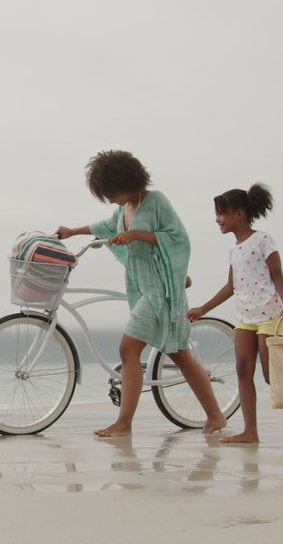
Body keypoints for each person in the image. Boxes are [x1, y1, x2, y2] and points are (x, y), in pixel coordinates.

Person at [57, 150, 228, 437]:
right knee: (179, 353)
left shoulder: (155, 201)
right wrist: (73, 231)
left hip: (161, 289)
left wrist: (135, 235)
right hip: (141, 284)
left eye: (111, 191)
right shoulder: (124, 209)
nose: (110, 198)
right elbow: (104, 226)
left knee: (128, 350)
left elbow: (177, 238)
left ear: (127, 180)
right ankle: (215, 416)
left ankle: (123, 423)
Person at [187, 183, 283, 442]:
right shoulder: (234, 250)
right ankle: (250, 431)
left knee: (269, 373)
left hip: (269, 315)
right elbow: (231, 286)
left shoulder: (262, 239)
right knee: (242, 369)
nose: (217, 220)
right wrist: (202, 309)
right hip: (244, 317)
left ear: (239, 213)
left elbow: (278, 275)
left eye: (222, 213)